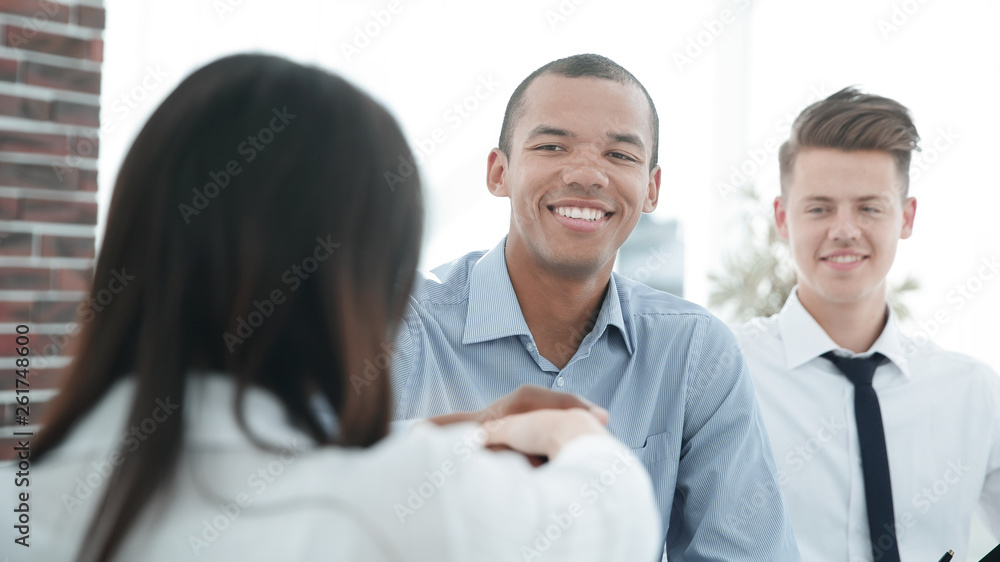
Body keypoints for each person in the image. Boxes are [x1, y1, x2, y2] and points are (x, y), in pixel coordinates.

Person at [5, 54, 662, 562]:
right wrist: (573, 435)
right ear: (363, 280)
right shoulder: (398, 510)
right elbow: (614, 517)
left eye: (619, 152)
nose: (586, 172)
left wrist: (472, 430)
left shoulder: (20, 510)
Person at [390, 53, 801, 560]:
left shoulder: (696, 352)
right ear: (499, 172)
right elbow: (302, 490)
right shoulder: (395, 325)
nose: (587, 174)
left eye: (620, 156)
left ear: (650, 190)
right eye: (551, 145)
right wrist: (484, 435)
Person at [736, 87, 1000, 562]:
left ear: (906, 216)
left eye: (869, 207)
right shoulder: (726, 374)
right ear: (782, 217)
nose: (843, 229)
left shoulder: (975, 393)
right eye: (819, 207)